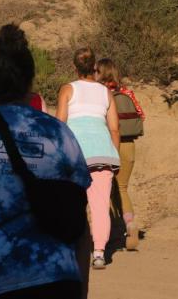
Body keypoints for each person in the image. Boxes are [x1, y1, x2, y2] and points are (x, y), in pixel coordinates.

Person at [0, 24, 90, 299]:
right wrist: (81, 291)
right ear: (29, 82)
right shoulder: (60, 133)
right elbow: (80, 222)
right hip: (59, 277)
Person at [57, 48, 121, 270]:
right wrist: (115, 155)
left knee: (71, 204)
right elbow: (114, 128)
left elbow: (60, 124)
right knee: (100, 205)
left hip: (74, 155)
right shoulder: (106, 93)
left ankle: (71, 249)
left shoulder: (68, 89)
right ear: (95, 67)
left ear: (75, 68)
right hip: (103, 154)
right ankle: (99, 253)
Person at [96, 57, 145, 251]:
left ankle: (114, 232)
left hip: (111, 144)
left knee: (108, 190)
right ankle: (129, 225)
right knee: (122, 187)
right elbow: (141, 116)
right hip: (130, 145)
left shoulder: (102, 94)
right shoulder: (127, 93)